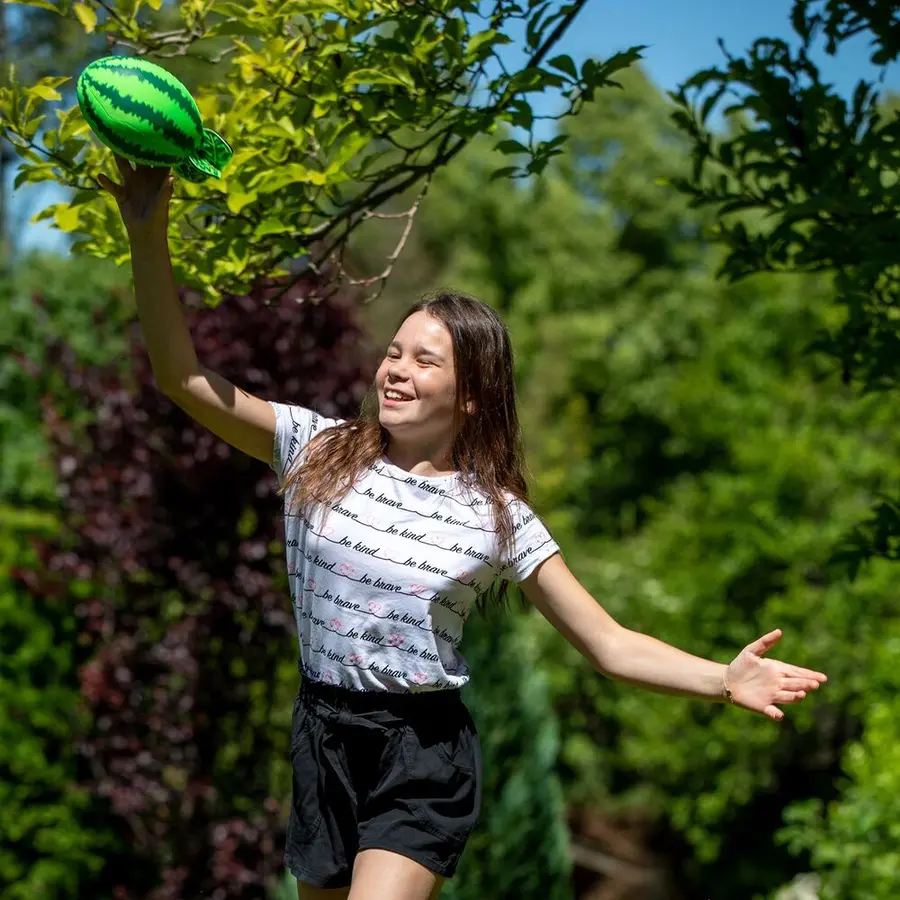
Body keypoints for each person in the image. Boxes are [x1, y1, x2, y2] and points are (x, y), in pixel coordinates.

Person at [98, 157, 828, 900]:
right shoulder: (316, 449)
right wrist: (146, 232)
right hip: (323, 733)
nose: (396, 370)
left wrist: (722, 679)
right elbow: (182, 379)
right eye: (393, 352)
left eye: (424, 361)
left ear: (472, 395)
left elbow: (608, 644)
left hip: (420, 752)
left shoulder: (497, 516)